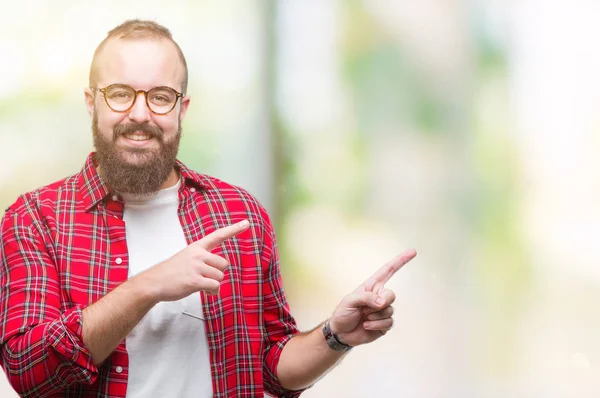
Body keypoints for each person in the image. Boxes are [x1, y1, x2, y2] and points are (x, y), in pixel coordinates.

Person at [0, 19, 416, 398]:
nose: (140, 113)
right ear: (92, 103)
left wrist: (335, 335)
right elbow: (28, 370)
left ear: (182, 109)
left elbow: (272, 368)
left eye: (161, 97)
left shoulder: (240, 214)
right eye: (120, 94)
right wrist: (147, 286)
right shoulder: (35, 219)